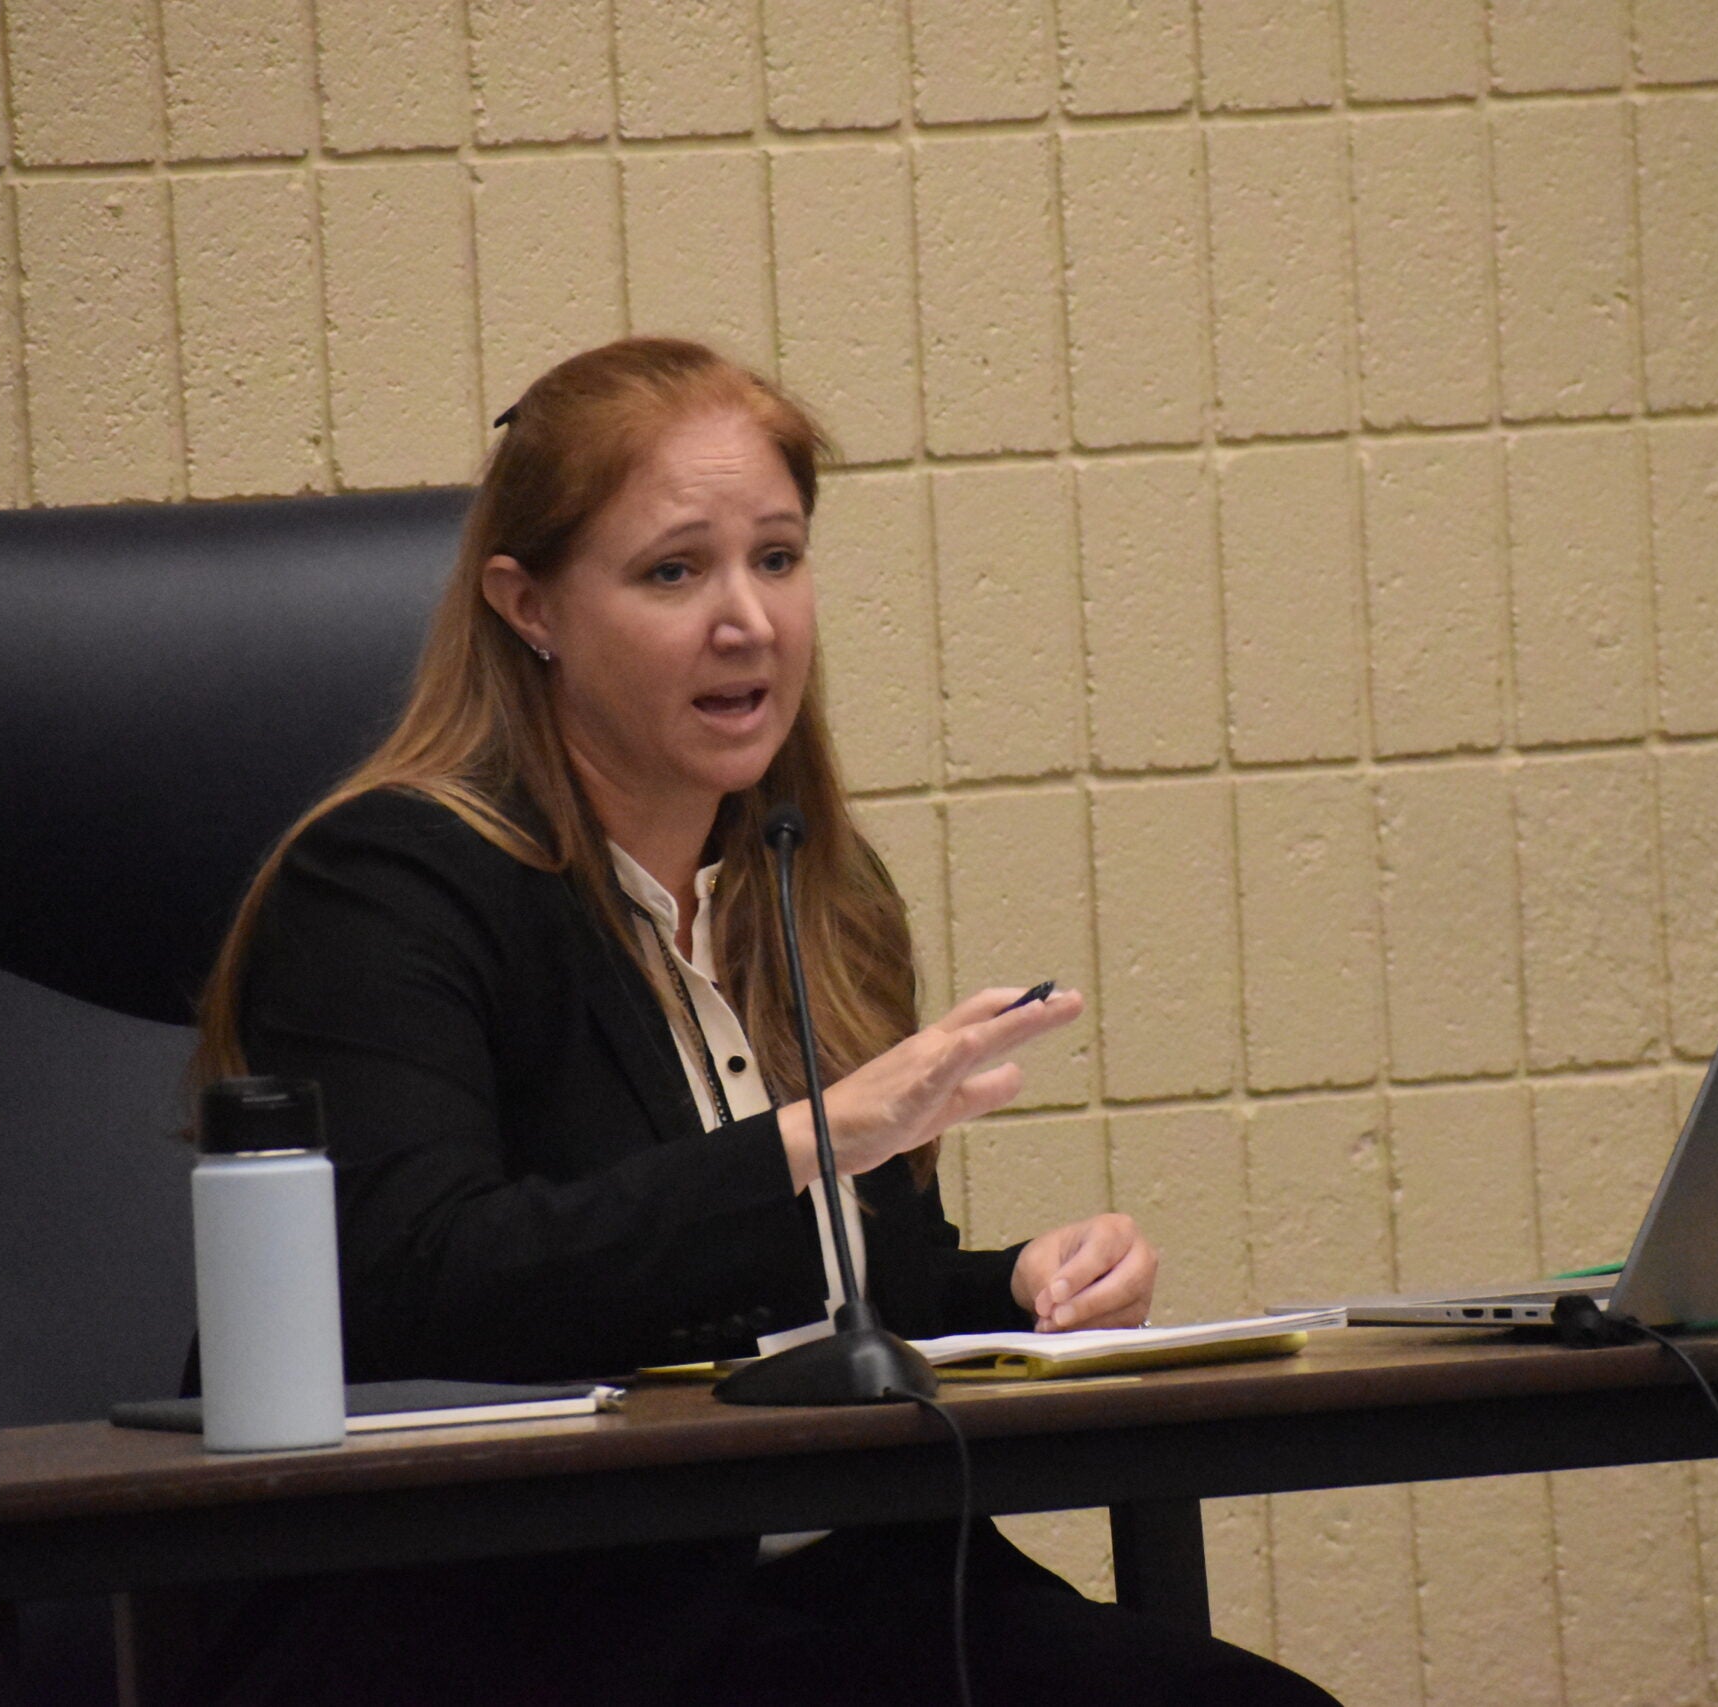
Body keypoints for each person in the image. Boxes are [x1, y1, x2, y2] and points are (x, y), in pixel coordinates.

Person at [185, 337, 1339, 1707]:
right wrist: (807, 1139)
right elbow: (423, 1282)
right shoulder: (388, 886)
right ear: (529, 605)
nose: (749, 621)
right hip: (526, 1619)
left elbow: (826, 1310)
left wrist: (1023, 1293)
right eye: (675, 573)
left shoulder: (811, 888)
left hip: (846, 1586)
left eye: (777, 559)